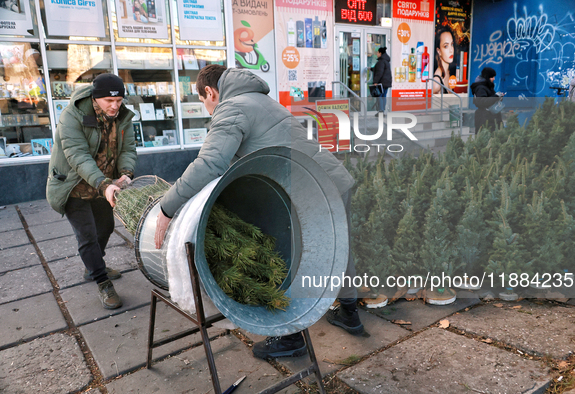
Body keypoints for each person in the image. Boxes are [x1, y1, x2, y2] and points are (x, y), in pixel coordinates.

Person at [153, 65, 364, 359]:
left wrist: (167, 206)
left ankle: (290, 339)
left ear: (211, 93)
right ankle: (350, 313)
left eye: (203, 101)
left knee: (286, 256)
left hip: (306, 192)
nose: (206, 108)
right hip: (334, 180)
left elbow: (209, 163)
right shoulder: (261, 100)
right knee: (339, 248)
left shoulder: (231, 109)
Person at [46, 73, 136, 310]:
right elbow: (77, 155)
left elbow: (128, 147)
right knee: (87, 235)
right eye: (109, 101)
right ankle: (101, 280)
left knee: (105, 228)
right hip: (74, 185)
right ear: (96, 99)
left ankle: (92, 265)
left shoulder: (123, 115)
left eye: (118, 101)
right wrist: (104, 184)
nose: (115, 106)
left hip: (104, 185)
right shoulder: (72, 115)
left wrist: (126, 172)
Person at [470, 67, 504, 134]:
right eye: (492, 77)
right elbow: (482, 102)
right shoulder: (480, 88)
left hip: (491, 117)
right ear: (487, 77)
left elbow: (490, 98)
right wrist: (496, 96)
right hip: (485, 118)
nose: (494, 79)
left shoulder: (487, 86)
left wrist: (499, 97)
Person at [433, 26, 455, 95]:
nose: (451, 50)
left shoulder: (449, 72)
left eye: (452, 44)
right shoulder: (436, 82)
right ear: (439, 51)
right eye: (446, 46)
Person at [371, 47, 392, 115]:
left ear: (380, 53)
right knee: (383, 96)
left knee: (379, 96)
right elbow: (379, 69)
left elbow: (379, 72)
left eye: (377, 52)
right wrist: (371, 69)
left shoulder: (381, 61)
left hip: (381, 82)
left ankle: (381, 111)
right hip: (386, 82)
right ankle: (382, 111)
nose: (377, 54)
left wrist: (375, 82)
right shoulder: (386, 61)